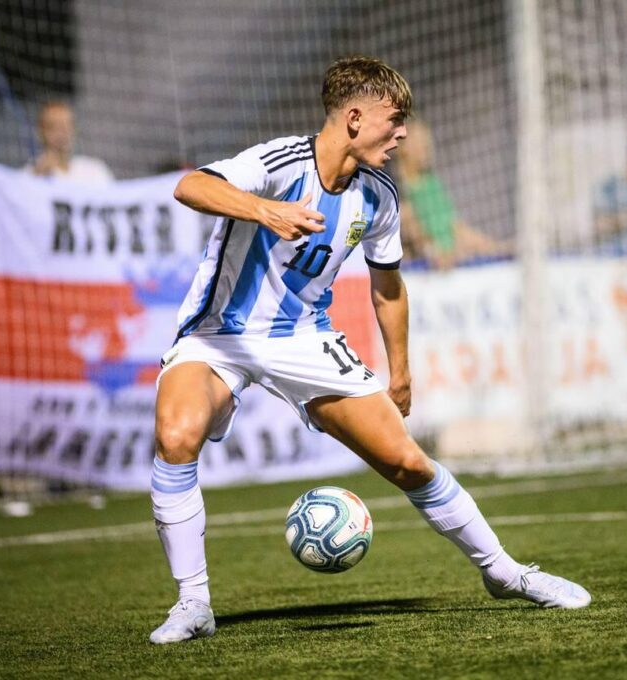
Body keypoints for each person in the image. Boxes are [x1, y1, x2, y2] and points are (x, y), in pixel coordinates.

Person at [148, 56, 591, 644]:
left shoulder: (378, 197)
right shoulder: (277, 164)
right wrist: (266, 209)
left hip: (303, 337)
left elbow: (388, 287)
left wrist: (399, 371)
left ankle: (506, 573)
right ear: (355, 119)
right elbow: (190, 186)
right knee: (176, 436)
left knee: (407, 462)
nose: (403, 133)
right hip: (217, 336)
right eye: (395, 119)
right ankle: (194, 604)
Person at [395, 119, 510, 269]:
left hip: (452, 266)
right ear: (403, 149)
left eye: (426, 142)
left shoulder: (432, 184)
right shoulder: (397, 190)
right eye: (419, 142)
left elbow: (457, 229)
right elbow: (415, 234)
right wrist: (434, 253)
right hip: (419, 274)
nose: (427, 147)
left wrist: (497, 248)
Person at [26, 100, 114, 184]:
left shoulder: (96, 171)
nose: (62, 133)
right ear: (40, 132)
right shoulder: (29, 175)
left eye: (67, 126)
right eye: (54, 127)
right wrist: (36, 176)